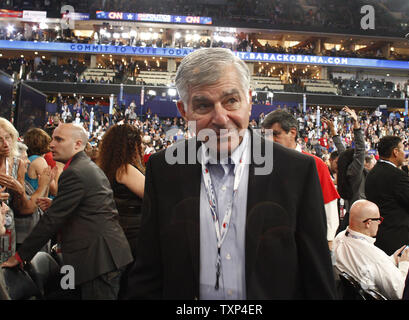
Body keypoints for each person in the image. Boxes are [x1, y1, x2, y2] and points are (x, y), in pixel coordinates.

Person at [126, 47, 336, 300]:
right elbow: (149, 270)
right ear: (183, 111)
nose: (221, 118)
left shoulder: (297, 170)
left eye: (231, 101)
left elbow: (317, 278)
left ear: (248, 100)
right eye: (203, 105)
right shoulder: (164, 169)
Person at [2, 123, 133, 300]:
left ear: (78, 144)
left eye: (59, 139)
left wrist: (20, 256)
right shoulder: (82, 167)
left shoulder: (76, 172)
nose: (51, 144)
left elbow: (52, 220)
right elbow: (89, 208)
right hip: (101, 255)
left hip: (99, 259)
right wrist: (56, 205)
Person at [261, 109, 340, 250]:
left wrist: (328, 240)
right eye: (266, 135)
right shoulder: (262, 164)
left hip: (305, 242)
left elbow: (329, 204)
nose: (269, 140)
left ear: (292, 132)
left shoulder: (316, 164)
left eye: (275, 134)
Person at [333, 199, 409, 300]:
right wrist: (404, 263)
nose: (380, 223)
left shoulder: (339, 239)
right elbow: (400, 292)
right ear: (368, 223)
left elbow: (369, 268)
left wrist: (392, 260)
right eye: (379, 219)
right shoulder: (375, 258)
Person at [365, 135, 409, 255]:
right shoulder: (397, 176)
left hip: (381, 236)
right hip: (400, 241)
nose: (404, 153)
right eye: (402, 149)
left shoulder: (372, 173)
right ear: (395, 152)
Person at [96, 123, 145, 257]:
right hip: (134, 233)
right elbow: (152, 194)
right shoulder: (125, 169)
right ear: (131, 145)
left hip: (121, 230)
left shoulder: (109, 168)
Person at [0, 118, 27, 264]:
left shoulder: (18, 164)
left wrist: (19, 190)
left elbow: (21, 207)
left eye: (8, 137)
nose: (6, 144)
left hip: (8, 225)